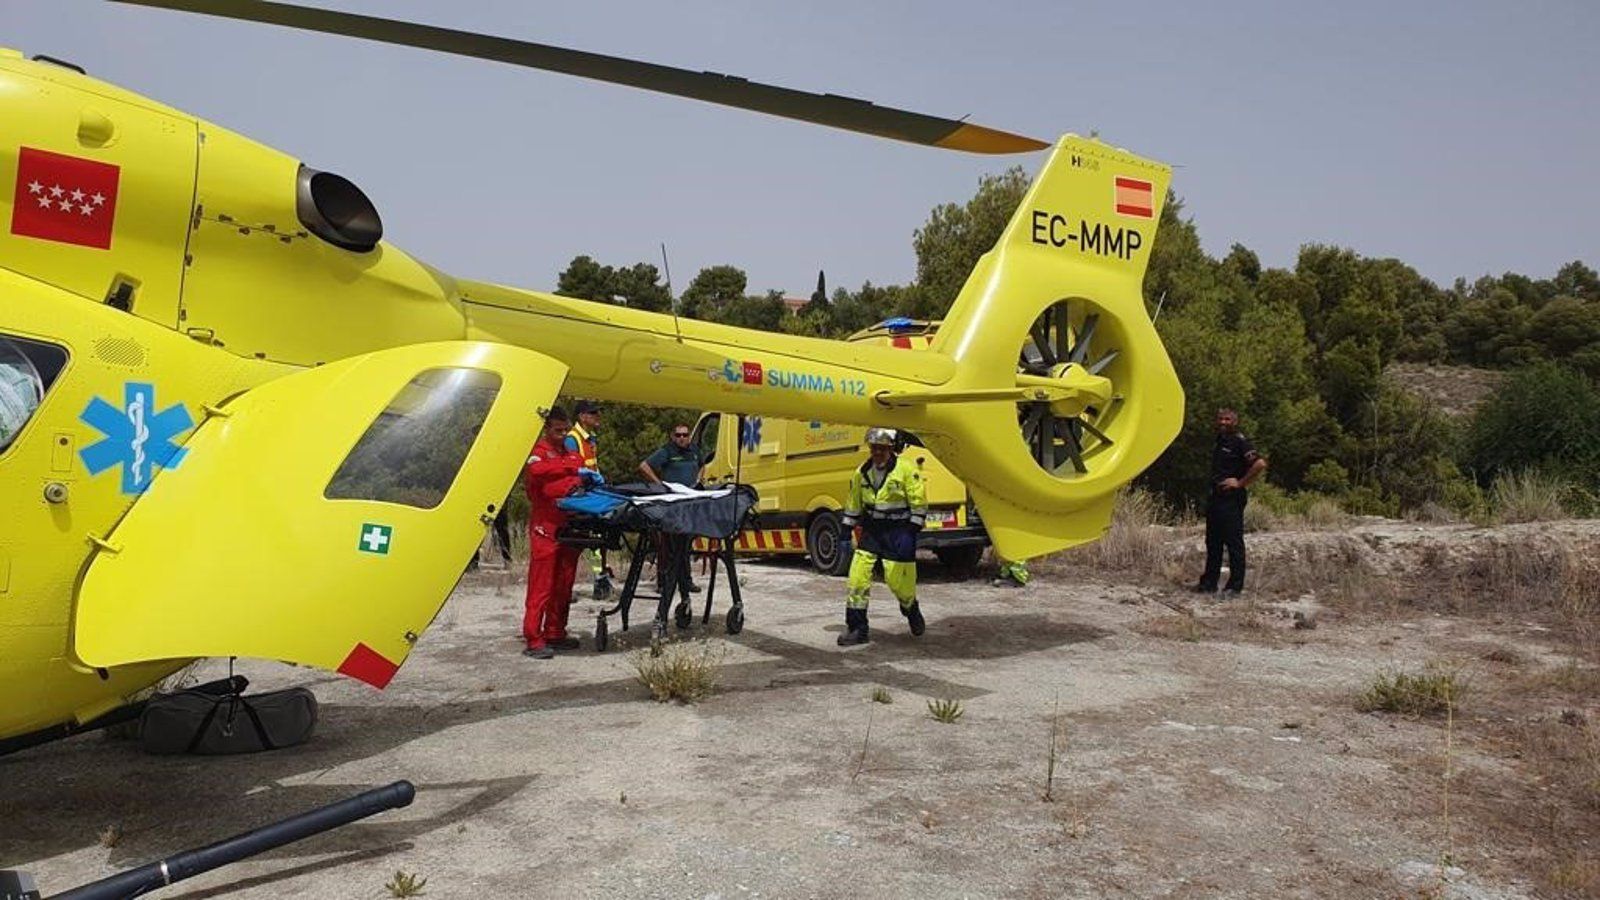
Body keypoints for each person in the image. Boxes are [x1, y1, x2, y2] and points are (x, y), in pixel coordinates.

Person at [837, 428, 928, 646]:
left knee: (899, 583)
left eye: (882, 448)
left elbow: (918, 501)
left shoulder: (906, 469)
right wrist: (846, 529)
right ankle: (857, 629)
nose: (877, 452)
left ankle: (910, 607)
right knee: (857, 578)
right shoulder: (862, 472)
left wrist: (912, 529)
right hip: (873, 530)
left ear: (891, 449)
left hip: (899, 531)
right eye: (874, 448)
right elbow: (854, 502)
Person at [522, 406, 596, 659]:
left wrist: (573, 470)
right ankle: (534, 638)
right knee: (541, 585)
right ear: (546, 429)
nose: (563, 435)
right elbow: (537, 471)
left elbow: (578, 470)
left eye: (565, 430)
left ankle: (555, 631)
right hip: (545, 526)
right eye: (558, 430)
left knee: (564, 583)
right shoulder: (538, 452)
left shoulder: (569, 453)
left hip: (568, 525)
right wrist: (569, 468)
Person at [1195, 407, 1267, 596]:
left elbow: (1260, 464)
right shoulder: (1219, 440)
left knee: (1233, 543)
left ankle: (1235, 586)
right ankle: (1209, 583)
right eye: (1220, 419)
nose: (1223, 422)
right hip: (1215, 497)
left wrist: (1241, 483)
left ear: (1235, 422)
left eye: (1227, 419)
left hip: (1231, 500)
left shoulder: (1240, 442)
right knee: (1213, 542)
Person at [640, 423, 705, 595]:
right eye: (678, 435)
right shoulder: (667, 451)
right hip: (671, 503)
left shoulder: (694, 450)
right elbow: (644, 466)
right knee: (667, 544)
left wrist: (698, 481)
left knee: (685, 543)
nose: (682, 438)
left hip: (689, 502)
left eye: (685, 435)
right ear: (672, 436)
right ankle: (664, 582)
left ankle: (686, 581)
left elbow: (702, 465)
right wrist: (660, 485)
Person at [565, 400, 614, 599]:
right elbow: (571, 469)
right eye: (593, 413)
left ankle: (599, 578)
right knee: (574, 543)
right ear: (582, 417)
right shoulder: (572, 439)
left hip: (592, 495)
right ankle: (565, 587)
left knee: (596, 540)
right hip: (578, 497)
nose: (597, 416)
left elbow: (593, 466)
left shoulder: (590, 439)